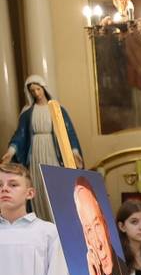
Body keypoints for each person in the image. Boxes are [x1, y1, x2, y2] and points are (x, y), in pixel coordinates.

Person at [1, 76, 83, 221]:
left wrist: (74, 153)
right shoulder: (28, 113)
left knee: (55, 184)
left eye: (38, 89)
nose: (36, 93)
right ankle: (42, 218)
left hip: (53, 153)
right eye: (32, 91)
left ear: (44, 89)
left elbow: (68, 133)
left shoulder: (58, 110)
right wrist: (10, 152)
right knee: (39, 185)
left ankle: (59, 220)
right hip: (36, 154)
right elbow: (20, 135)